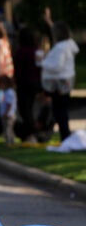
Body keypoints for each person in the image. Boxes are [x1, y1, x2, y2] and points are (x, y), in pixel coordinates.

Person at [39, 13, 79, 143]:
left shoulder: (60, 48)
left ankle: (65, 137)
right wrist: (50, 22)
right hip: (67, 81)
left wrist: (42, 61)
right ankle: (65, 137)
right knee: (61, 110)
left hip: (59, 83)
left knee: (60, 111)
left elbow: (56, 65)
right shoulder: (69, 44)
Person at [12, 25, 43, 142]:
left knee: (25, 110)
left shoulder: (21, 52)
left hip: (24, 84)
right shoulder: (36, 52)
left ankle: (31, 133)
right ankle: (30, 133)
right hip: (35, 83)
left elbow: (18, 70)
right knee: (30, 109)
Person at [0, 75, 17, 147]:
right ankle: (9, 142)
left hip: (9, 115)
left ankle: (9, 143)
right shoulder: (6, 92)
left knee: (8, 129)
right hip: (6, 114)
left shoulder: (9, 92)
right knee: (7, 129)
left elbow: (9, 104)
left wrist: (6, 112)